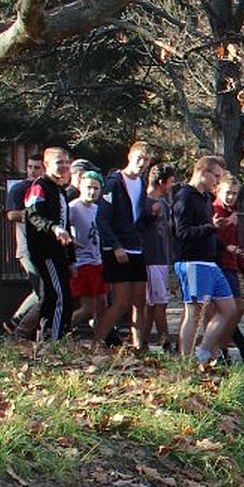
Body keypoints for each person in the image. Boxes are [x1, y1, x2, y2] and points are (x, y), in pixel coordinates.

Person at [169, 156, 239, 363]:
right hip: (191, 260)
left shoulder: (207, 198)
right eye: (215, 176)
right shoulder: (185, 197)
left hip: (210, 261)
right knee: (194, 311)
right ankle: (186, 359)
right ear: (201, 171)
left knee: (229, 309)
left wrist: (225, 246)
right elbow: (181, 233)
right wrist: (212, 227)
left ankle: (204, 351)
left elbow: (211, 230)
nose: (217, 181)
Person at [94, 142, 153, 350]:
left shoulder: (142, 183)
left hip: (136, 246)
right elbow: (102, 219)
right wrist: (116, 245)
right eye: (139, 159)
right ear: (129, 156)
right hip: (118, 249)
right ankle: (97, 342)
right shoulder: (114, 183)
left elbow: (138, 218)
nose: (142, 164)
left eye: (146, 160)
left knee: (140, 300)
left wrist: (151, 214)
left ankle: (138, 346)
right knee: (121, 302)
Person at [21, 147, 75, 342]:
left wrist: (71, 259)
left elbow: (65, 223)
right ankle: (52, 341)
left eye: (67, 162)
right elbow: (34, 215)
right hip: (46, 252)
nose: (64, 166)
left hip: (60, 253)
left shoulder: (60, 190)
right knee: (57, 297)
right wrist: (53, 228)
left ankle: (55, 339)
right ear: (46, 165)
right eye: (59, 162)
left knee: (61, 297)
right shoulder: (39, 187)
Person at [211, 172, 244, 360]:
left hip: (232, 265)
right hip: (219, 265)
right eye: (228, 192)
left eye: (235, 193)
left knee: (237, 310)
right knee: (228, 309)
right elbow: (217, 241)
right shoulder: (215, 211)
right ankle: (220, 347)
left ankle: (226, 345)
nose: (231, 197)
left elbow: (237, 245)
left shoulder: (232, 213)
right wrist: (227, 224)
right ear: (218, 191)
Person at [2, 152, 45, 337]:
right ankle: (16, 322)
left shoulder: (46, 188)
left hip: (45, 248)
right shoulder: (20, 188)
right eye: (29, 167)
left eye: (36, 167)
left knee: (44, 289)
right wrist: (38, 217)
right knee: (42, 289)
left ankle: (17, 324)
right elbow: (11, 215)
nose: (32, 171)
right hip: (27, 247)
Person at [65, 165, 107, 337]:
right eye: (89, 187)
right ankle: (59, 332)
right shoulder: (74, 207)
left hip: (98, 261)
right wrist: (70, 241)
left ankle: (98, 342)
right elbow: (62, 226)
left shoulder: (98, 209)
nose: (92, 191)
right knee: (87, 309)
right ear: (81, 186)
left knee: (102, 306)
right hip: (82, 263)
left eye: (96, 188)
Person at [140, 163, 177, 351]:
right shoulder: (144, 202)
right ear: (161, 182)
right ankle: (166, 343)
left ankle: (143, 343)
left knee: (153, 304)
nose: (171, 186)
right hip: (150, 257)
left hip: (162, 257)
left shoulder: (164, 203)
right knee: (158, 302)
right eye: (170, 182)